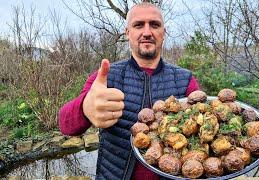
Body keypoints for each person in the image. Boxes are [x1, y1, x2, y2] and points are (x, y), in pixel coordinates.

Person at [58, 2, 199, 180]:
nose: (147, 32)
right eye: (138, 25)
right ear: (127, 33)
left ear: (164, 32)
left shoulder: (185, 80)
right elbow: (65, 124)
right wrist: (85, 108)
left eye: (154, 25)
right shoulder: (106, 77)